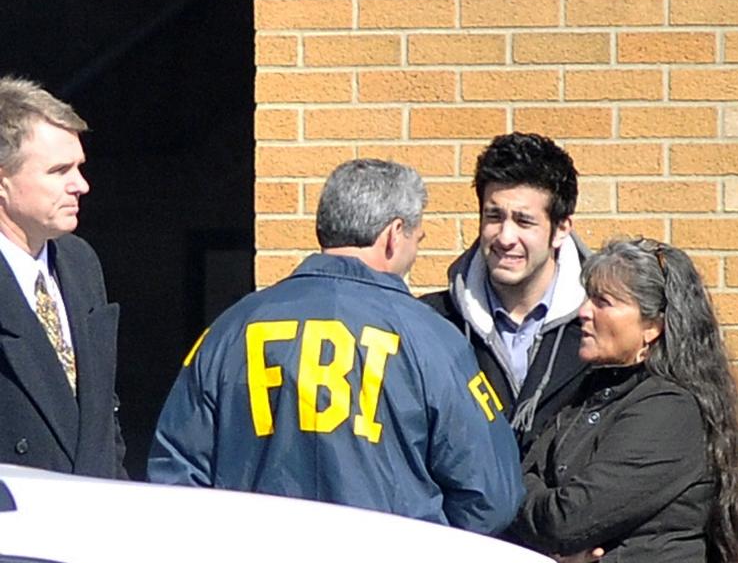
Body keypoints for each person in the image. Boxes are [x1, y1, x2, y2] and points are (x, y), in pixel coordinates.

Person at [147, 158, 524, 536]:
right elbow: (492, 495)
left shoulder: (230, 328)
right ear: (394, 234)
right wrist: (427, 548)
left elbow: (175, 474)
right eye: (417, 238)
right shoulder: (433, 339)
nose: (415, 249)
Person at [506, 237, 738, 563]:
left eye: (604, 301)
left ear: (652, 326)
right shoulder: (587, 395)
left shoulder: (669, 412)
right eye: (588, 297)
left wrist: (533, 509)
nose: (584, 312)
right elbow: (522, 481)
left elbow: (565, 518)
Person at [421, 132, 591, 459]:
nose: (505, 237)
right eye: (494, 217)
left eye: (524, 221)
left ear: (562, 229)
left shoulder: (602, 325)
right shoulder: (433, 322)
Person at [0, 75, 126, 478]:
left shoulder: (79, 262)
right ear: (3, 181)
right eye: (59, 170)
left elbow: (101, 414)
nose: (81, 185)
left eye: (79, 167)